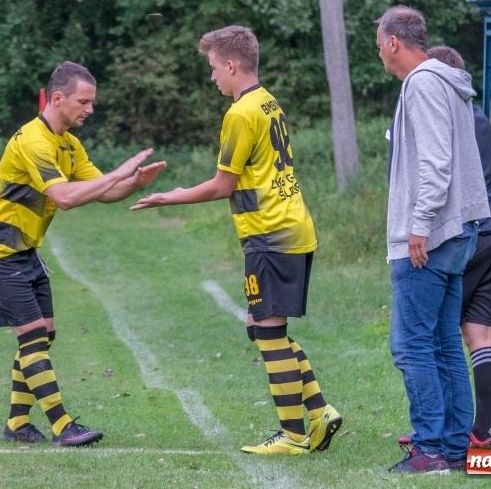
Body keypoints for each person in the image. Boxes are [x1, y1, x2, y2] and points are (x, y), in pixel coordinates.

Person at [130, 25, 342, 455]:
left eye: (213, 68)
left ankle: (293, 434)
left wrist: (169, 198)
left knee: (267, 331)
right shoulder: (268, 101)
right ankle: (320, 412)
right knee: (261, 326)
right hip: (293, 226)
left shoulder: (241, 112)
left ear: (231, 64)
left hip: (270, 234)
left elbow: (221, 185)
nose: (212, 78)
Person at [0, 61, 166, 446]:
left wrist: (132, 182)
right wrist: (119, 172)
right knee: (33, 337)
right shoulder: (33, 141)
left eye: (92, 102)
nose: (89, 109)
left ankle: (16, 425)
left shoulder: (68, 145)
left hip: (24, 251)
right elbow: (65, 198)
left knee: (44, 336)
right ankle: (62, 426)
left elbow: (101, 192)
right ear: (57, 98)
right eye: (83, 101)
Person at [375, 6, 490, 473]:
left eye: (379, 41)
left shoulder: (422, 83)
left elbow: (437, 163)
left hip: (431, 235)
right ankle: (457, 448)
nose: (379, 50)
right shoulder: (449, 82)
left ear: (394, 42)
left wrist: (418, 224)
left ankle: (430, 450)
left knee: (412, 345)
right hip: (460, 231)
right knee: (444, 342)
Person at [397, 46, 491, 452]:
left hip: (463, 232)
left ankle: (439, 432)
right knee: (479, 334)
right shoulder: (477, 116)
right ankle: (480, 433)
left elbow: (436, 171)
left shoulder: (444, 112)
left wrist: (419, 226)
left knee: (432, 338)